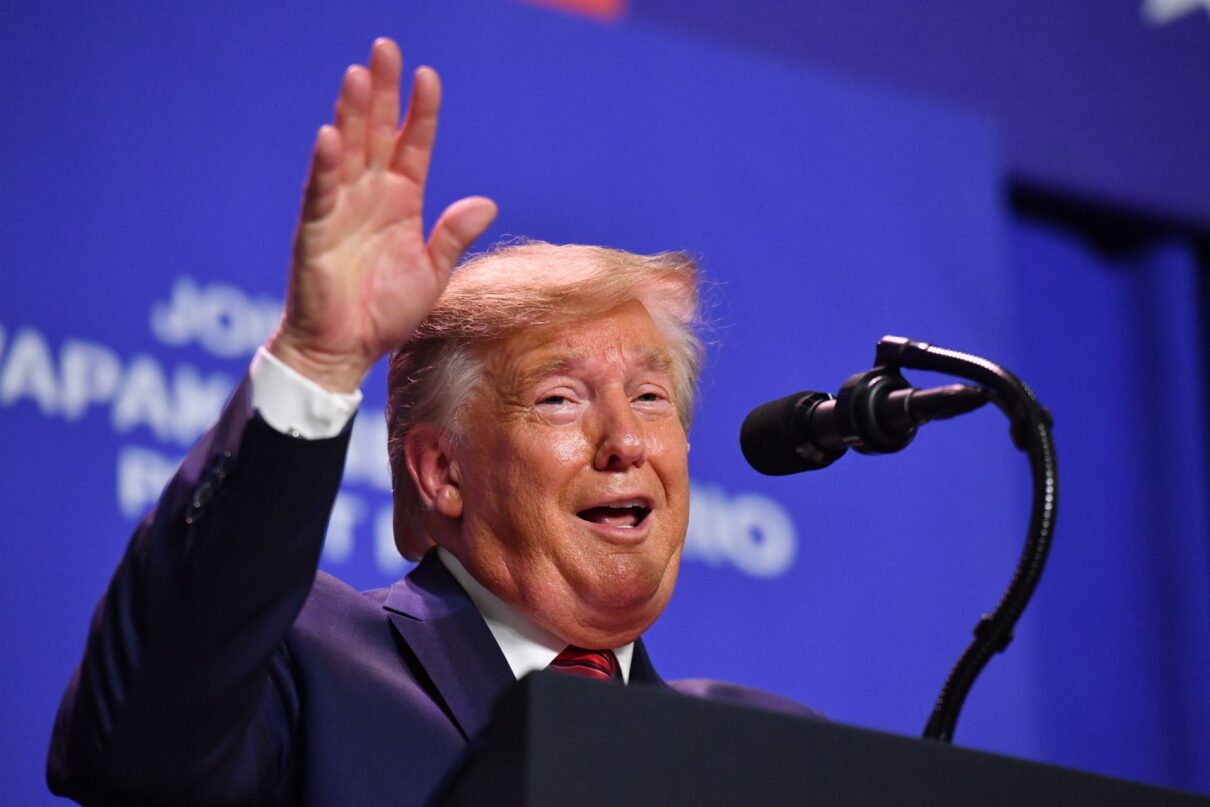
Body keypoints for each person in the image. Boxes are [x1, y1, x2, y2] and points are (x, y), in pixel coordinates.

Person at [47, 38, 814, 805]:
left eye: (650, 397)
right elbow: (136, 751)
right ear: (442, 471)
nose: (625, 442)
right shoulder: (308, 663)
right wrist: (315, 359)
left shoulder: (764, 758)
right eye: (560, 399)